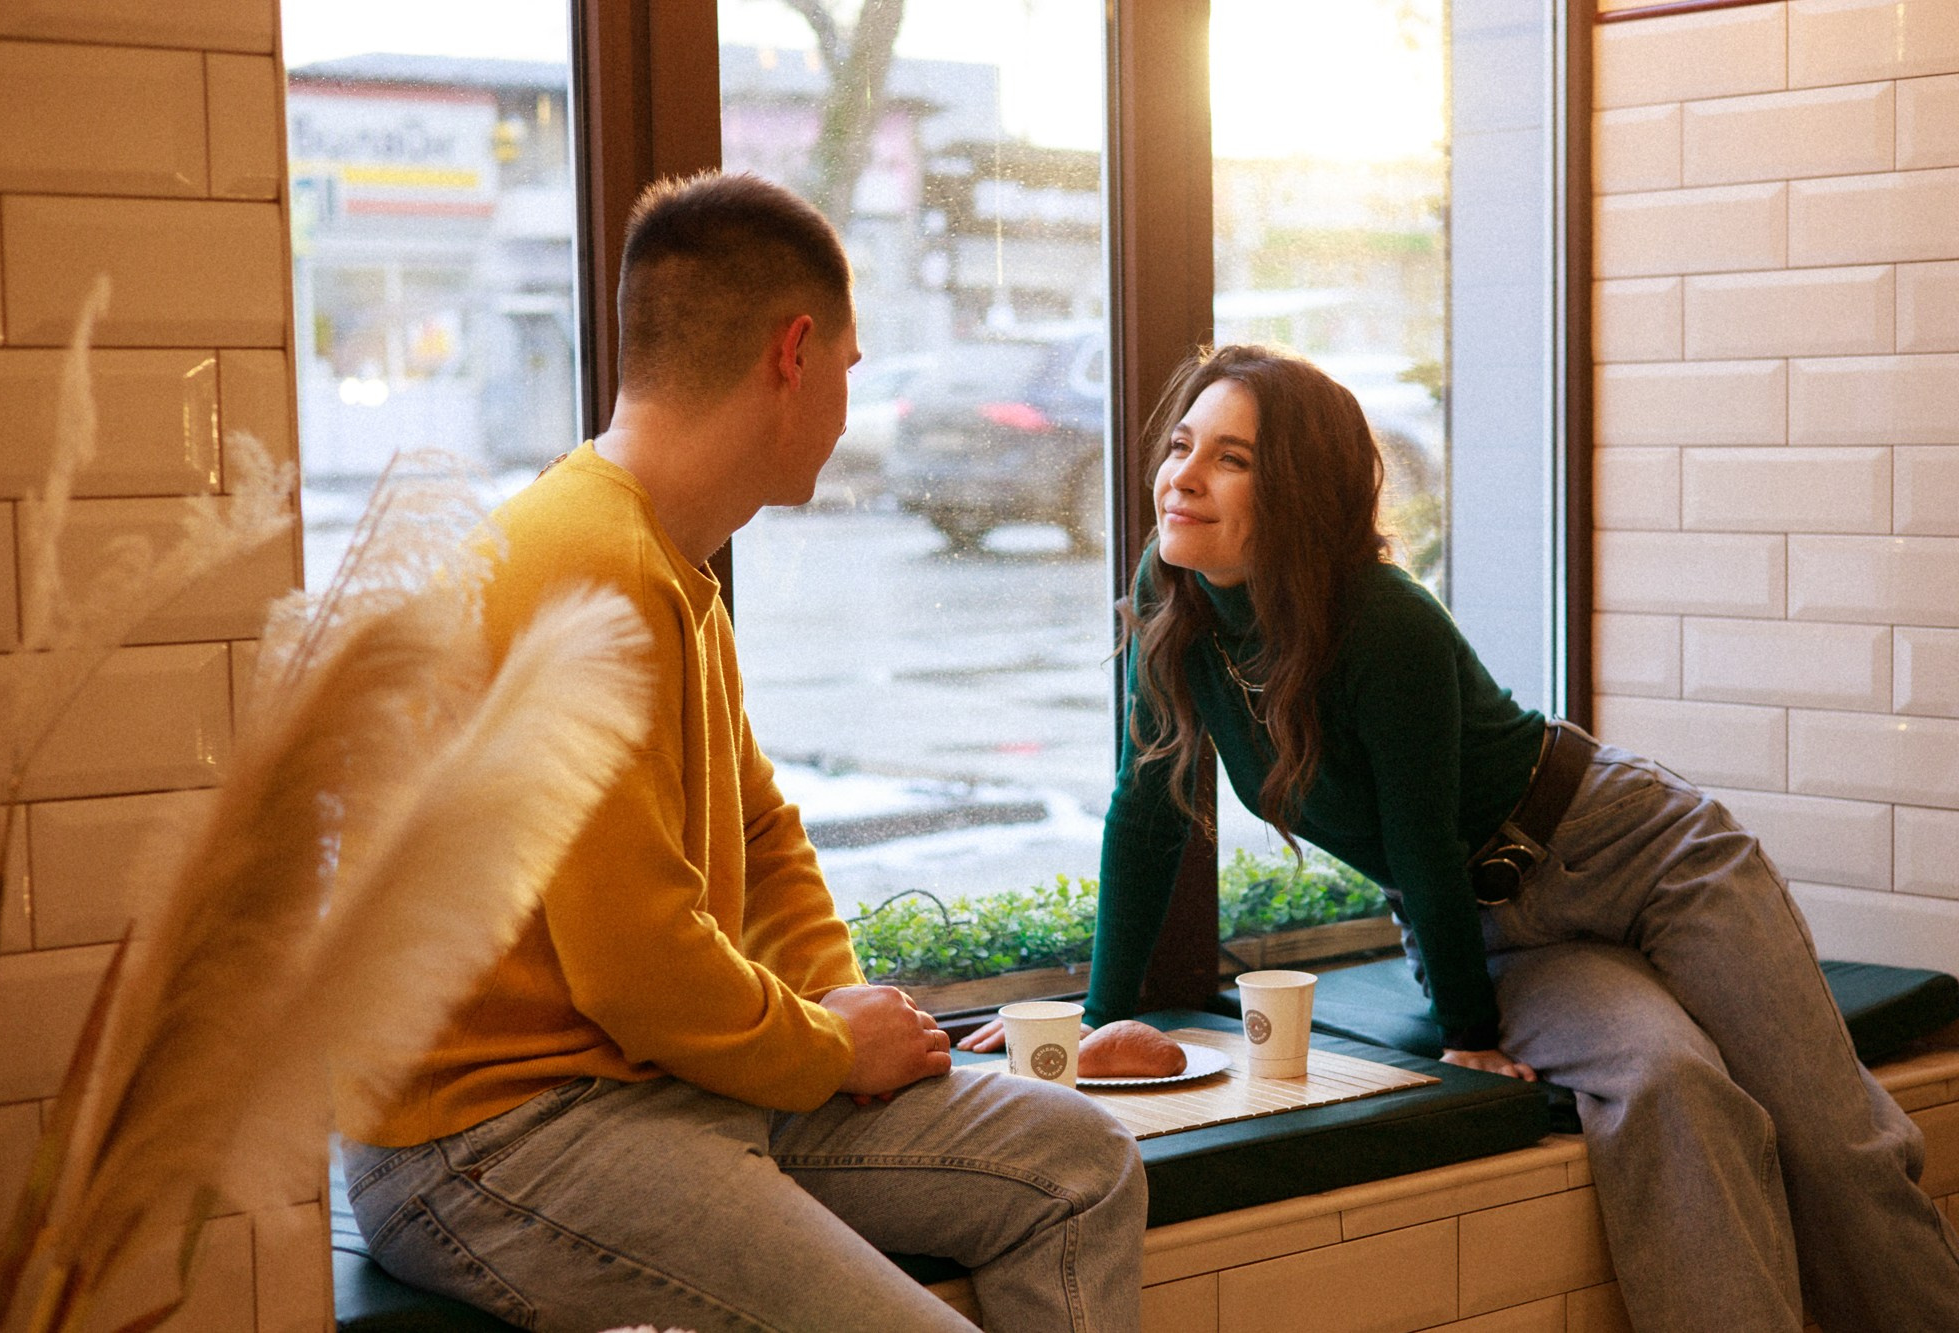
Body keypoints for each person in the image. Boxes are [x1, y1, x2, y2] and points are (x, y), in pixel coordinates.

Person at [965, 344, 1959, 1330]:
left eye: (1231, 458)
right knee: (1669, 1082)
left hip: (1642, 852)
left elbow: (1420, 837)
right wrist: (1096, 1017)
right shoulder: (1170, 594)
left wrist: (1466, 1034)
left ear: (1300, 490)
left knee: (1830, 1136)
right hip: (1503, 931)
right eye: (1182, 445)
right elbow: (1146, 813)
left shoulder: (1381, 616)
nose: (1181, 475)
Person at [337, 171, 1146, 1333]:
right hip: (494, 1139)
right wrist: (828, 1049)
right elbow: (637, 970)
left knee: (1077, 1164)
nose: (851, 409)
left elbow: (760, 832)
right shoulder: (588, 564)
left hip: (655, 1084)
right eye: (850, 371)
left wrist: (843, 1007)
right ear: (793, 354)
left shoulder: (668, 558)